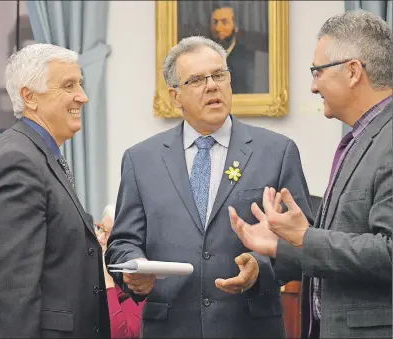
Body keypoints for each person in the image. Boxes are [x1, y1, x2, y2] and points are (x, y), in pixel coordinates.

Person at [105, 36, 314, 338]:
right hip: (170, 326)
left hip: (249, 326)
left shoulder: (277, 152)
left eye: (219, 75)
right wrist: (134, 271)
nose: (213, 86)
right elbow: (122, 243)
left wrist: (260, 266)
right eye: (197, 80)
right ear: (175, 97)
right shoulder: (141, 160)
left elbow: (303, 244)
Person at [229, 9, 392, 339]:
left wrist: (304, 237)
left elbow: (388, 252)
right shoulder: (362, 137)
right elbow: (343, 242)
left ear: (352, 71)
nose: (313, 87)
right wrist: (281, 246)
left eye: (317, 72)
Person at [0, 43, 110, 338]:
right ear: (29, 97)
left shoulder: (38, 152)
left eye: (80, 84)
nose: (82, 97)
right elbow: (12, 291)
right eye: (68, 85)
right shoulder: (17, 160)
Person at [96, 204, 144, 338]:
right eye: (99, 229)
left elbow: (119, 335)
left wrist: (108, 278)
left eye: (106, 233)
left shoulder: (137, 281)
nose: (99, 238)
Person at [209, 2, 257, 94]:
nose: (218, 28)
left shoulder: (247, 57)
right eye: (215, 22)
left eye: (224, 22)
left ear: (236, 26)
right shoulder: (204, 55)